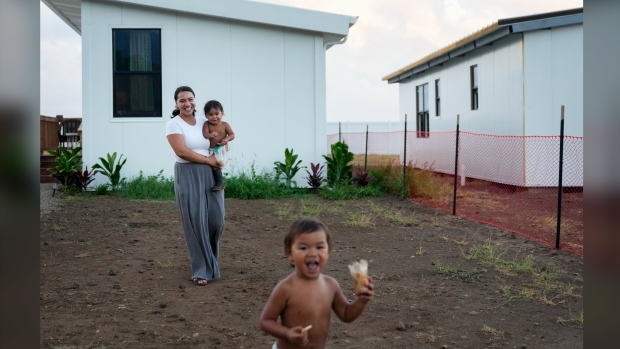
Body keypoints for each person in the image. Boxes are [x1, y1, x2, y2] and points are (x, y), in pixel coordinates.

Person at [260, 217, 374, 349]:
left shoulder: (331, 285)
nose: (313, 253)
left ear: (328, 252)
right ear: (290, 253)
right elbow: (266, 321)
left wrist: (362, 300)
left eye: (320, 247)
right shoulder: (286, 288)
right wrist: (287, 333)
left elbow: (346, 314)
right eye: (303, 248)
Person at [165, 86, 225, 286]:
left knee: (216, 221)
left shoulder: (204, 122)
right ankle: (201, 269)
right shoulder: (173, 125)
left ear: (195, 101)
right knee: (195, 223)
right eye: (182, 100)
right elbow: (181, 151)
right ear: (176, 103)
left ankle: (210, 261)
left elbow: (219, 139)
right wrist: (207, 160)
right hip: (188, 174)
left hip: (211, 174)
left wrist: (222, 149)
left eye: (190, 99)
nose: (187, 103)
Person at [202, 100, 235, 191]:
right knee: (210, 166)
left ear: (222, 113)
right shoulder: (206, 124)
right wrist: (210, 135)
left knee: (216, 166)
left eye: (217, 114)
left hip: (220, 149)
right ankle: (215, 183)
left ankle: (219, 183)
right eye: (211, 114)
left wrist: (226, 139)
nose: (214, 117)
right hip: (210, 149)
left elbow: (232, 134)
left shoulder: (225, 125)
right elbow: (205, 134)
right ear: (206, 115)